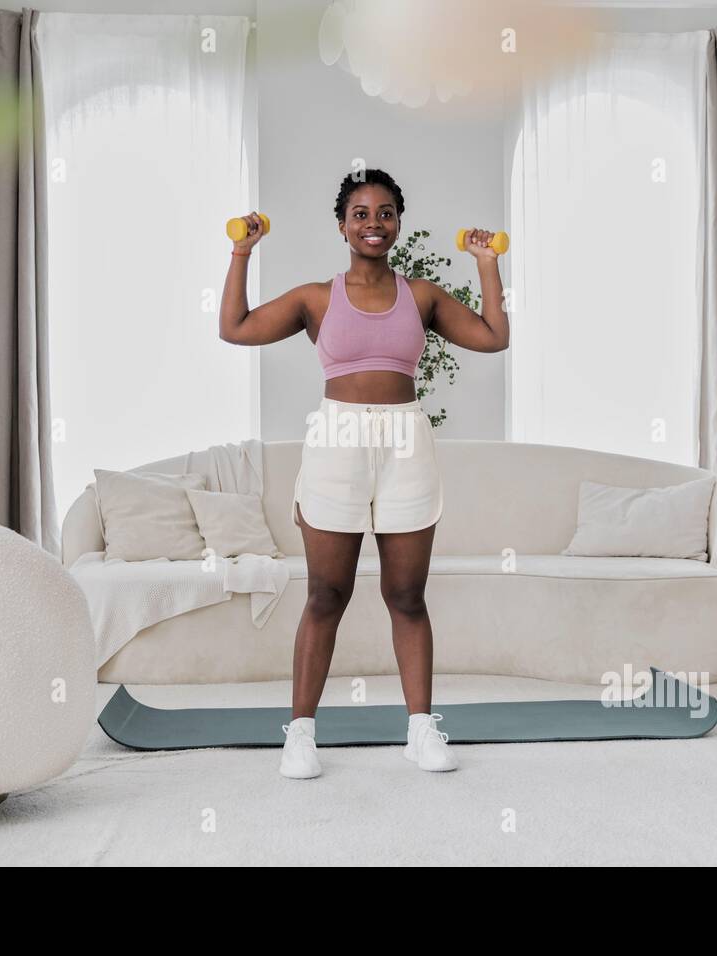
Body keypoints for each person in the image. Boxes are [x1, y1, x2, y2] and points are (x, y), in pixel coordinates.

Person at [218, 169, 509, 778]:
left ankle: (421, 730)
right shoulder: (314, 299)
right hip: (337, 445)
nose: (372, 224)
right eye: (360, 213)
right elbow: (235, 327)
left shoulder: (422, 295)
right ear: (342, 225)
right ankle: (299, 735)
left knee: (406, 595)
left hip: (405, 444)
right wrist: (241, 252)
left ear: (398, 222)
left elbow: (491, 337)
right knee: (327, 594)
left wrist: (486, 262)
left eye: (384, 213)